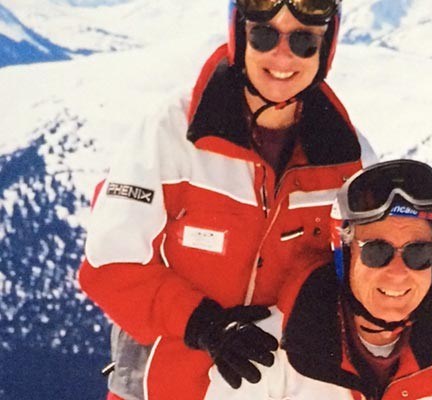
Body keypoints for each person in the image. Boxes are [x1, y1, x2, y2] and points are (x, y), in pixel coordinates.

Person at [78, 1, 376, 399]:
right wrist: (203, 324)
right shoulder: (174, 133)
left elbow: (385, 265)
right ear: (240, 37)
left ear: (326, 49)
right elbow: (110, 263)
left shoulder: (347, 158)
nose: (283, 56)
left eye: (305, 42)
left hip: (277, 387)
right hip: (166, 385)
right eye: (264, 35)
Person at [204, 159, 432, 400]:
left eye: (419, 253)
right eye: (376, 251)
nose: (398, 273)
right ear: (344, 255)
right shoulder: (264, 356)